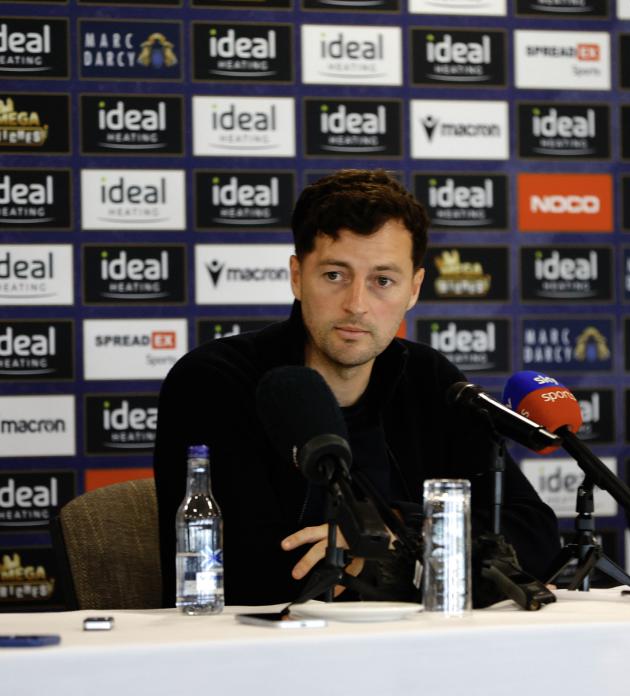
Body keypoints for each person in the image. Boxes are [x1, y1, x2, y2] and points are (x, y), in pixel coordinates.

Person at [154, 169, 560, 606]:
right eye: (334, 275)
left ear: (414, 290)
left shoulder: (429, 378)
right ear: (297, 276)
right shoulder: (215, 381)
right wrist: (426, 556)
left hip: (419, 654)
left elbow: (533, 535)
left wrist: (394, 539)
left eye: (382, 280)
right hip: (257, 653)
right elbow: (247, 570)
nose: (356, 304)